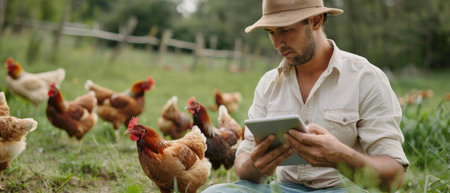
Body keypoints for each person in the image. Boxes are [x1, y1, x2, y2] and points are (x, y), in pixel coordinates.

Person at [202, 0, 409, 192]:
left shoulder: (366, 78)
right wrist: (255, 165)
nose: (277, 43)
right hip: (282, 188)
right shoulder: (268, 84)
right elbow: (243, 164)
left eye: (285, 30)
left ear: (316, 20)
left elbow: (394, 176)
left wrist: (342, 157)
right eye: (271, 32)